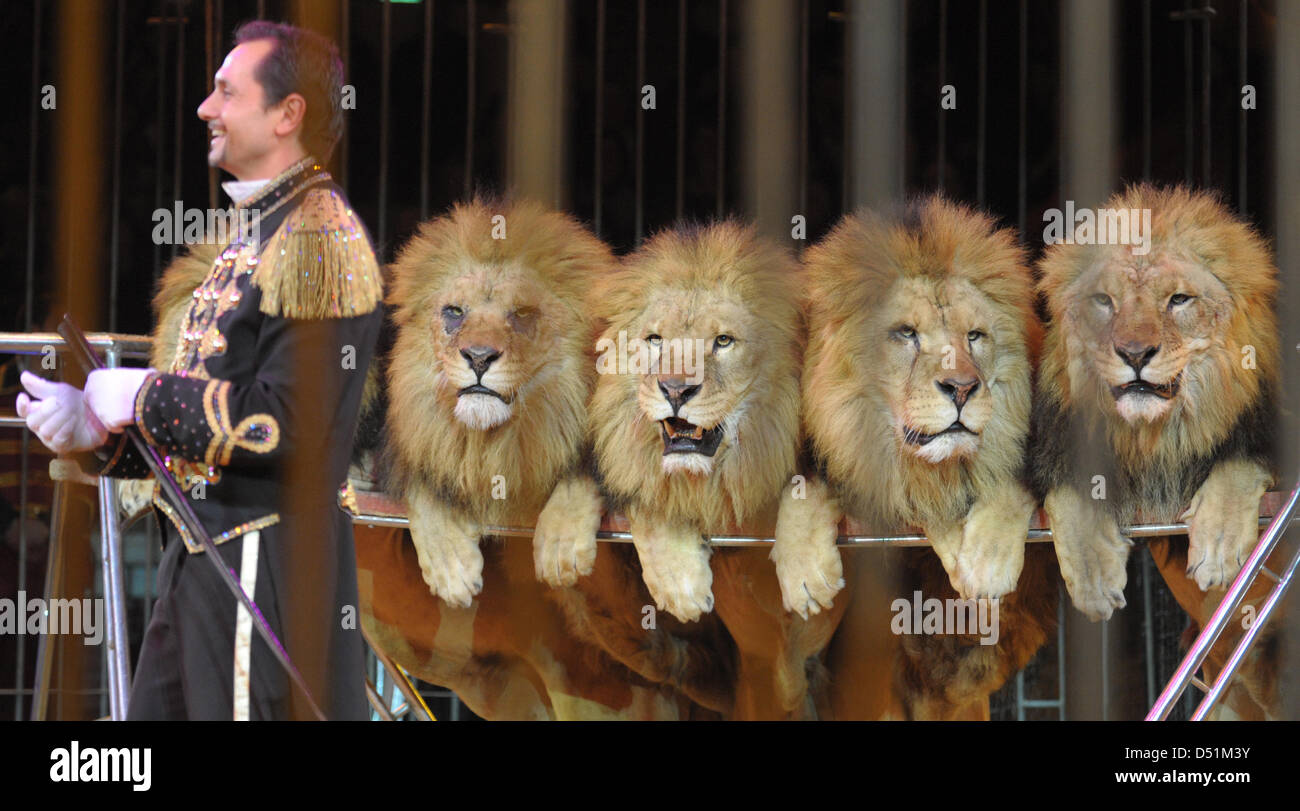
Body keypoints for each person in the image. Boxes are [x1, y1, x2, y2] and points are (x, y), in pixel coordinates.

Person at [16, 21, 382, 720]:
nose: (204, 109)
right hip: (201, 562)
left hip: (262, 569)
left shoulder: (316, 235)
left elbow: (287, 424)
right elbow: (206, 447)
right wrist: (97, 434)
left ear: (287, 114)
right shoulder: (262, 233)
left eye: (224, 92)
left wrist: (143, 393)